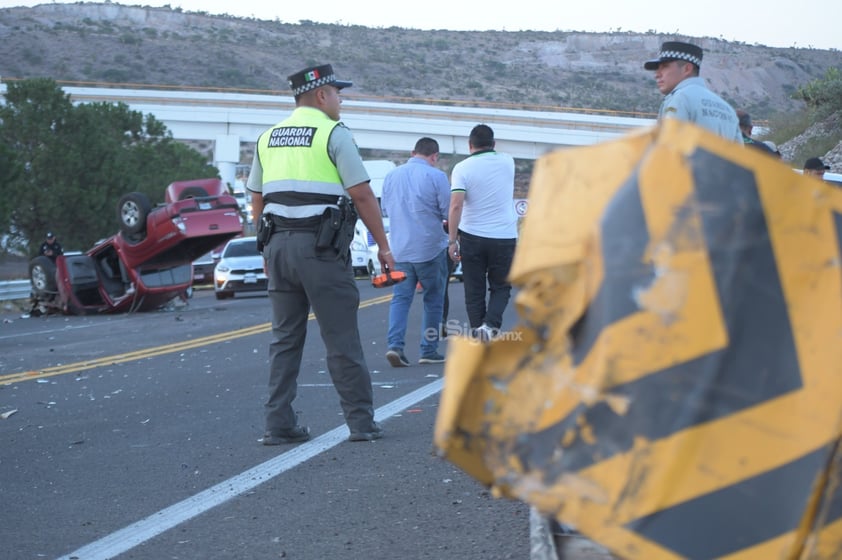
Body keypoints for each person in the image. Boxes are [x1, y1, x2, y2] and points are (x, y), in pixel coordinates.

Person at [247, 63, 394, 445]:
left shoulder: (269, 137)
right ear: (321, 95)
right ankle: (361, 423)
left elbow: (257, 199)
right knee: (341, 338)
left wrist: (264, 247)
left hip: (278, 247)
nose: (341, 100)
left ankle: (277, 424)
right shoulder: (333, 132)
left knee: (284, 340)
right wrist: (383, 245)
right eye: (338, 94)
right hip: (321, 250)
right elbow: (361, 193)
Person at [381, 137, 451, 367]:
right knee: (433, 299)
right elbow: (447, 212)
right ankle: (428, 350)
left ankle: (395, 347)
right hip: (430, 248)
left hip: (400, 248)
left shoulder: (391, 176)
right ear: (434, 156)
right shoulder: (436, 176)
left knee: (400, 299)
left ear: (413, 152)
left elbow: (385, 209)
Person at [447, 124, 518, 342]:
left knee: (474, 288)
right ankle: (490, 327)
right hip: (505, 236)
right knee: (501, 286)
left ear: (470, 145)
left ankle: (478, 331)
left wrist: (452, 241)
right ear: (494, 144)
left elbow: (456, 205)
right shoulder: (509, 161)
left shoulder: (462, 168)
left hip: (472, 236)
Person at [644, 41, 742, 142]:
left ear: (687, 69)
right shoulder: (727, 109)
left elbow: (667, 147)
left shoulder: (680, 99)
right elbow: (739, 155)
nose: (657, 74)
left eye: (664, 66)